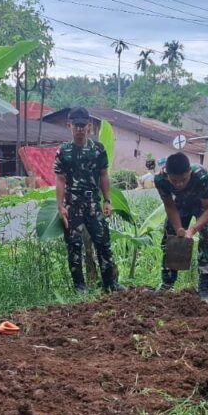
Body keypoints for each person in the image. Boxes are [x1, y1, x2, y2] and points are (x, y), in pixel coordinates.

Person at [54, 107, 125, 294]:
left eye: (82, 125)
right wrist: (60, 206)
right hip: (72, 204)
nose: (79, 129)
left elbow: (103, 175)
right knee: (74, 246)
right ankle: (80, 287)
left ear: (89, 126)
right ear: (69, 126)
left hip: (93, 202)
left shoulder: (98, 150)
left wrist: (107, 200)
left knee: (103, 242)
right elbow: (60, 179)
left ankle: (110, 284)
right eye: (76, 125)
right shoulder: (63, 151)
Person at [155, 152, 208, 304]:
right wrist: (179, 229)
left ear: (190, 172)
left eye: (183, 179)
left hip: (202, 204)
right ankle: (167, 284)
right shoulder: (161, 180)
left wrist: (193, 230)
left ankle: (204, 288)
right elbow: (169, 206)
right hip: (180, 204)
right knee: (171, 238)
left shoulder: (201, 176)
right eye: (174, 180)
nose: (179, 184)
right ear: (167, 175)